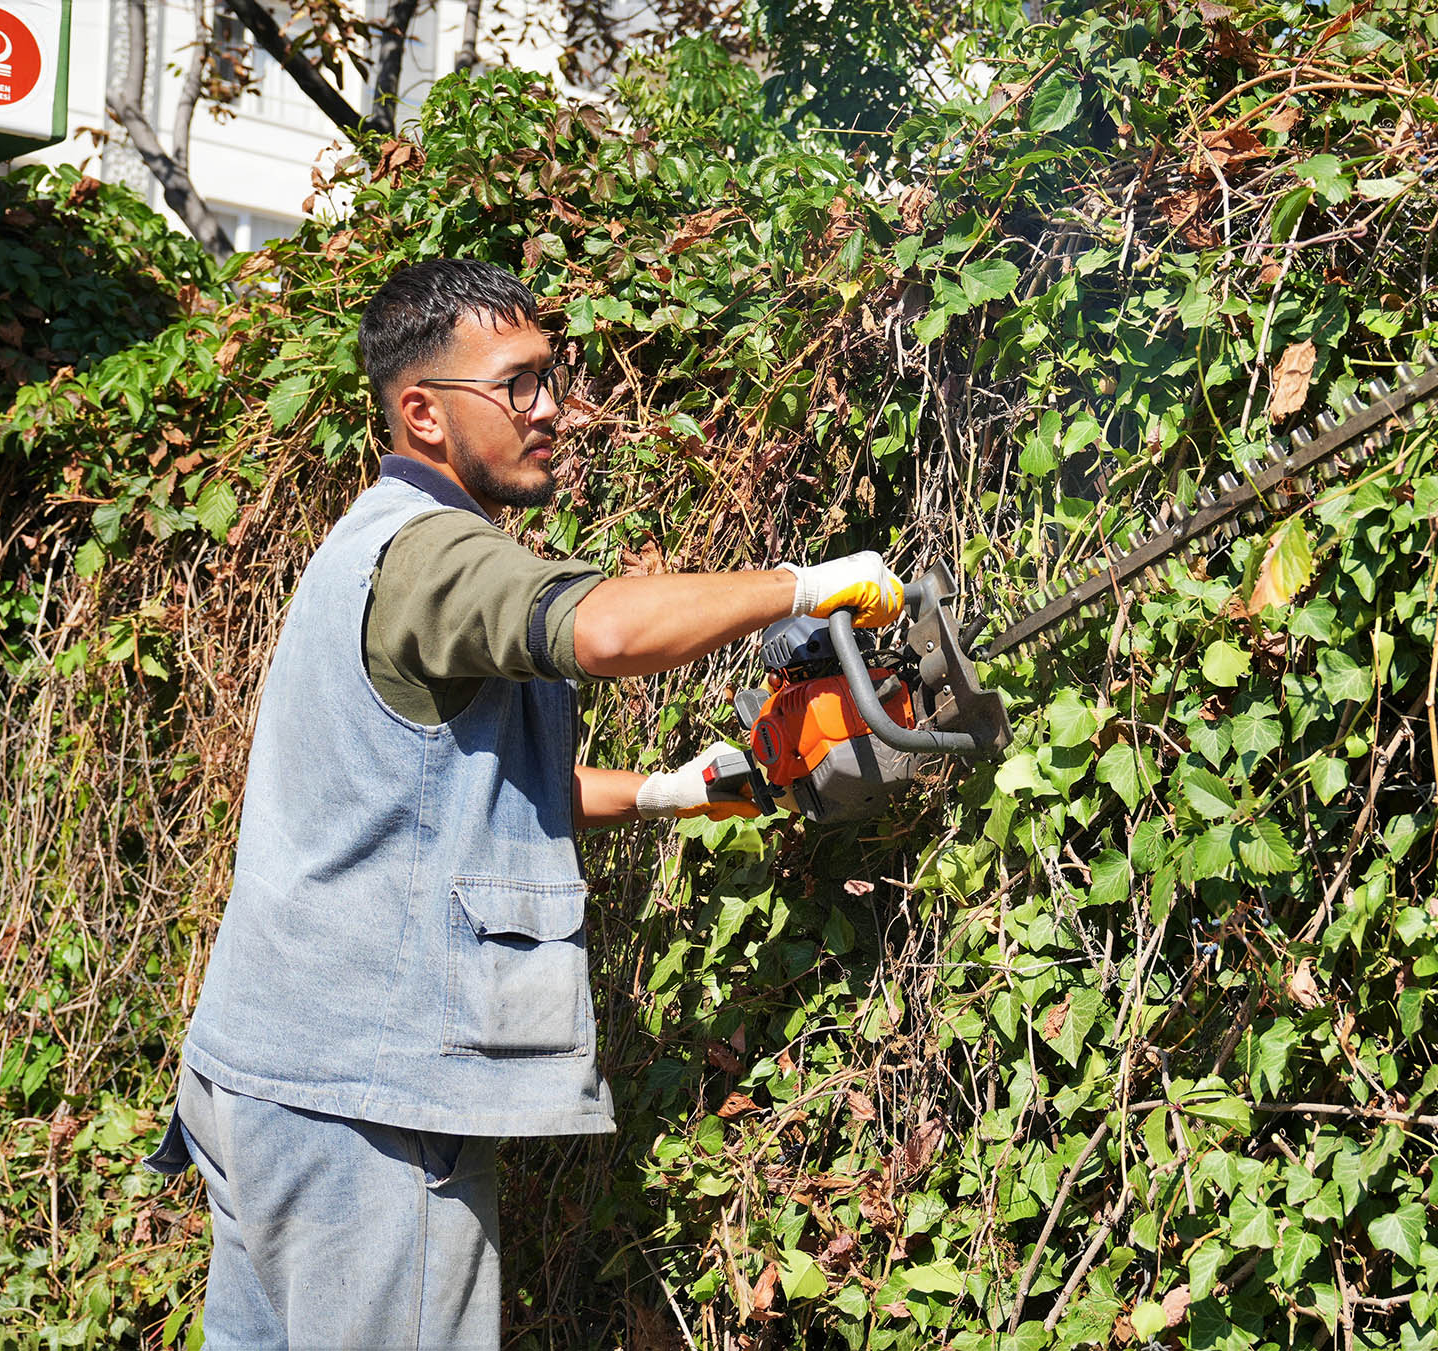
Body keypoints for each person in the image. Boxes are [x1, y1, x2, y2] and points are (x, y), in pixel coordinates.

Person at [142, 258, 901, 1347]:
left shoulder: (364, 547)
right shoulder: (433, 553)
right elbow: (601, 632)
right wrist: (802, 585)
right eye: (519, 384)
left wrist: (664, 793)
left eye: (554, 377)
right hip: (368, 1101)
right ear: (424, 413)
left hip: (265, 1074)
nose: (555, 410)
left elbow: (439, 798)